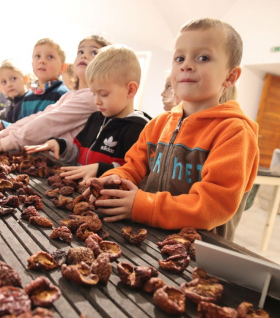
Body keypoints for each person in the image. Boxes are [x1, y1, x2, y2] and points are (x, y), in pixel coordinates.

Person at [86, 18, 259, 241]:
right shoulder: (157, 125)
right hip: (146, 240)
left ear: (230, 76)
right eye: (180, 58)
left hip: (196, 253)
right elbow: (133, 168)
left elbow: (213, 205)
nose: (186, 65)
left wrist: (144, 206)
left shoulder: (235, 132)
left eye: (203, 57)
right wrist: (113, 180)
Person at [25, 44, 151, 185]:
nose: (96, 101)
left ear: (130, 90)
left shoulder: (139, 129)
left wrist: (100, 169)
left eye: (103, 94)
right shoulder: (95, 118)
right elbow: (77, 153)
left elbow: (137, 173)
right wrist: (60, 145)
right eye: (93, 93)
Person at [0, 35, 111, 157]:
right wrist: (3, 134)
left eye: (94, 53)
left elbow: (48, 122)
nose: (84, 56)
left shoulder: (91, 97)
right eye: (80, 52)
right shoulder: (71, 95)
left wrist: (8, 141)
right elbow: (40, 116)